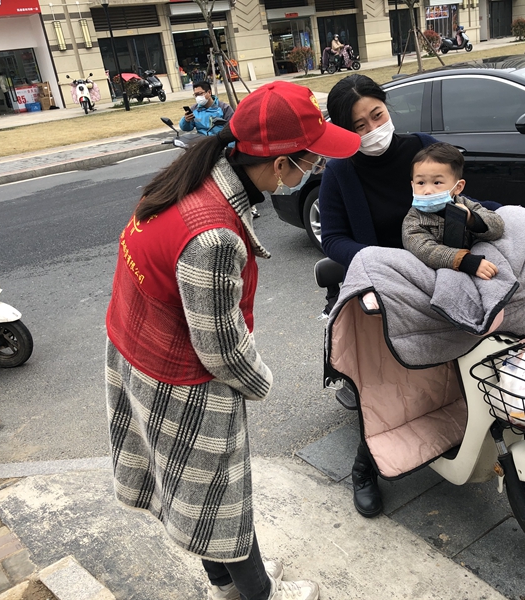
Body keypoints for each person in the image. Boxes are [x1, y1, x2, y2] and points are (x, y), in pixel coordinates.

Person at [105, 81, 360, 600]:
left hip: (138, 352)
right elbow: (220, 348)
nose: (316, 168)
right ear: (281, 164)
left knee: (199, 495)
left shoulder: (187, 177)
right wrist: (261, 381)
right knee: (223, 500)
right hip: (181, 381)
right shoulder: (214, 235)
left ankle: (223, 582)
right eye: (312, 159)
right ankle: (259, 593)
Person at [319, 74, 499, 518]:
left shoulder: (422, 149)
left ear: (387, 107)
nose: (372, 129)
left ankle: (465, 421)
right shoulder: (341, 170)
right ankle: (366, 466)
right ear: (344, 131)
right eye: (358, 125)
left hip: (441, 270)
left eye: (376, 115)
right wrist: (384, 261)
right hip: (386, 281)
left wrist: (483, 220)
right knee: (388, 380)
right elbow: (334, 238)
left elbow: (463, 200)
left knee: (479, 341)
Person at [402, 142, 504, 279]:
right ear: (412, 185)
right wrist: (465, 261)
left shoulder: (463, 203)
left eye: (437, 182)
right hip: (437, 273)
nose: (427, 191)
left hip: (480, 259)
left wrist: (471, 219)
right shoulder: (414, 219)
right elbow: (425, 250)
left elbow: (497, 226)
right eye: (421, 183)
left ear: (458, 187)